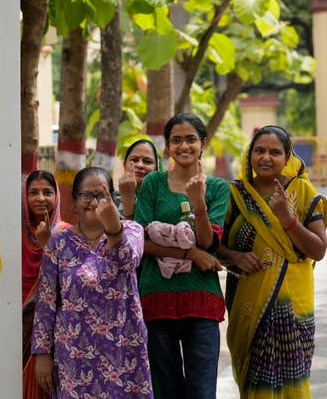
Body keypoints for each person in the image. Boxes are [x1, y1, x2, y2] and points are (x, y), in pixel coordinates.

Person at [218, 125, 327, 398]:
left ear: (287, 157)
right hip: (248, 300)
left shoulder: (301, 190)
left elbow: (318, 250)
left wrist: (287, 219)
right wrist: (235, 257)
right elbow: (214, 246)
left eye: (275, 152)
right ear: (249, 154)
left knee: (291, 377)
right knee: (255, 378)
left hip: (293, 301)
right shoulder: (236, 196)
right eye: (260, 150)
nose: (266, 157)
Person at [32, 167, 152, 398]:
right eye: (87, 195)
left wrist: (113, 229)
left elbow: (127, 260)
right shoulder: (59, 243)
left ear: (113, 200)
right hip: (74, 353)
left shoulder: (132, 230)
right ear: (75, 202)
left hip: (123, 348)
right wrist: (42, 354)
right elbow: (46, 301)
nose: (94, 202)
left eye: (101, 195)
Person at [134, 113, 229, 399]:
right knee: (166, 388)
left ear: (203, 144)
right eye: (176, 140)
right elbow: (140, 241)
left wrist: (199, 204)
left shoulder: (217, 188)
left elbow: (208, 242)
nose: (184, 146)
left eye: (190, 139)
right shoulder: (153, 183)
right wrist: (191, 253)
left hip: (200, 299)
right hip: (156, 297)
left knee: (202, 390)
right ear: (168, 147)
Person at [21, 170, 70, 399]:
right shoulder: (12, 233)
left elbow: (70, 281)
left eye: (47, 192)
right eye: (33, 192)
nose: (40, 198)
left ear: (57, 196)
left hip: (54, 324)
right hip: (16, 319)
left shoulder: (68, 233)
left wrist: (48, 245)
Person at [116, 138, 163, 219]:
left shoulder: (163, 202)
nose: (140, 165)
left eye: (147, 161)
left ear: (156, 168)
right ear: (124, 165)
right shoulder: (111, 201)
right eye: (134, 160)